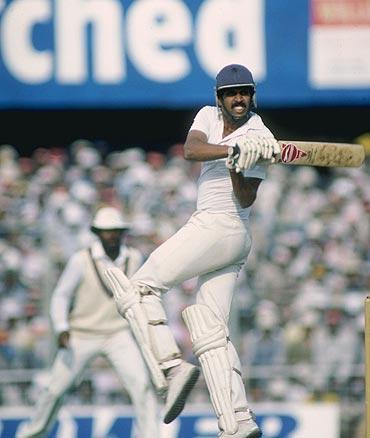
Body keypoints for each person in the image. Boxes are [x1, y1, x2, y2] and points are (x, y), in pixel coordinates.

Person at [105, 64, 281, 438]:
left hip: (222, 225)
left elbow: (246, 197)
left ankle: (171, 366)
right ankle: (237, 420)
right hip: (226, 238)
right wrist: (234, 149)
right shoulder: (208, 117)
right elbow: (191, 150)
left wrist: (242, 164)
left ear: (252, 96)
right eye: (232, 93)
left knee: (138, 288)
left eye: (245, 93)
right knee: (211, 328)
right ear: (219, 98)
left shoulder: (260, 135)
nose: (239, 99)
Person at [16, 206, 161, 438]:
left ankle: (152, 435)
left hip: (118, 333)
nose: (111, 236)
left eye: (115, 231)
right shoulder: (81, 260)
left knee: (141, 385)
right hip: (82, 333)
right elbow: (61, 295)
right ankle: (30, 434)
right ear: (97, 233)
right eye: (106, 231)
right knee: (55, 390)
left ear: (122, 233)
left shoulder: (133, 258)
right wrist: (62, 327)